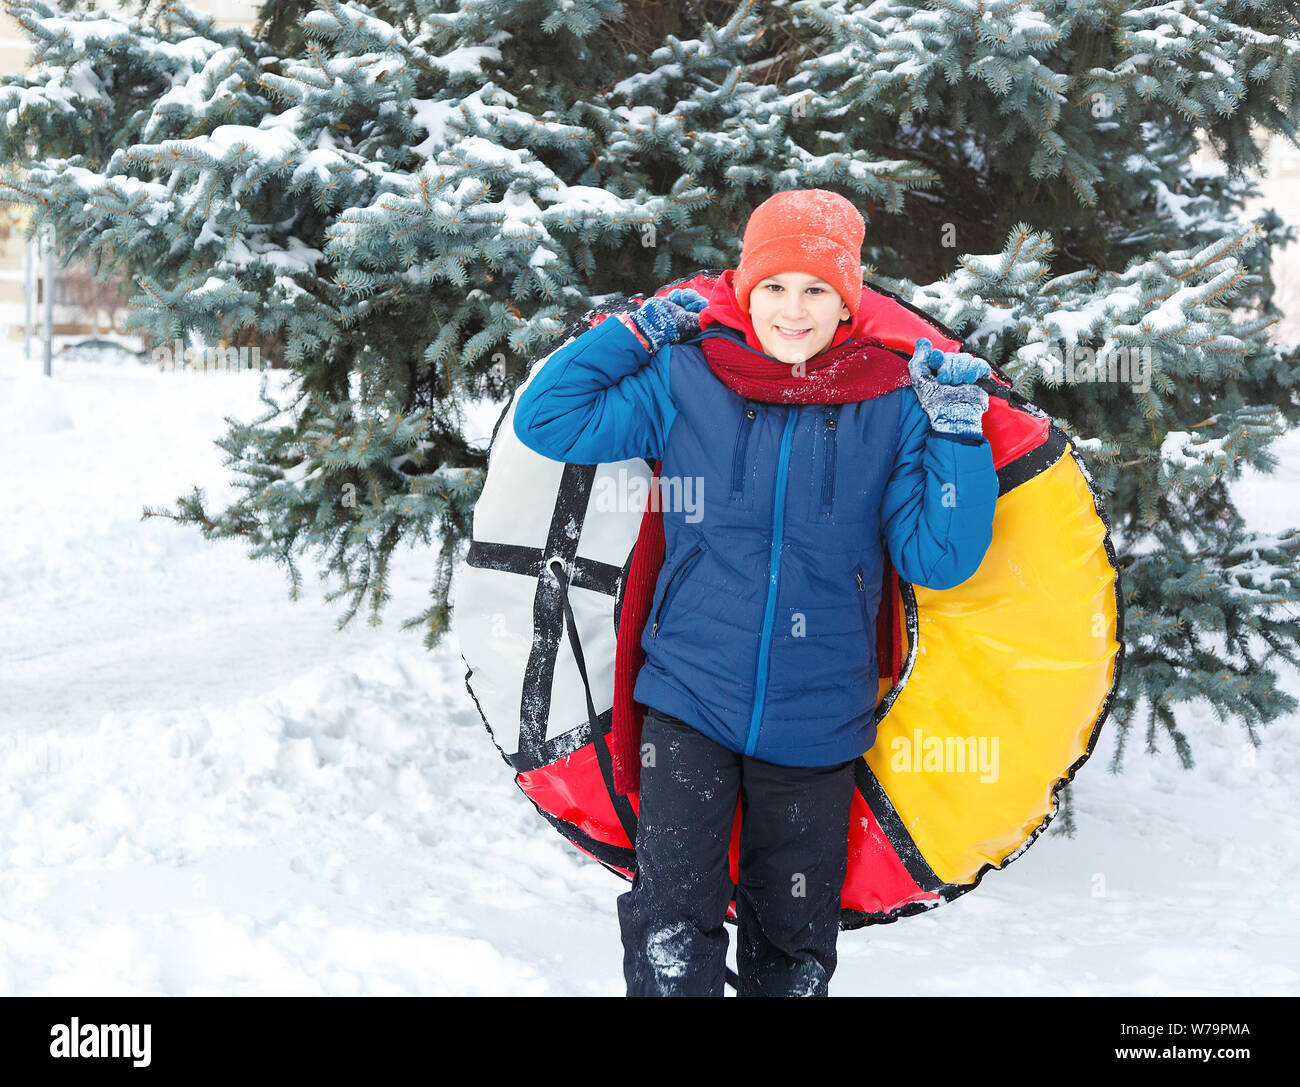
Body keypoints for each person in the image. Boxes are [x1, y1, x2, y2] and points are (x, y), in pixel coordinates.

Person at [512, 188, 999, 996]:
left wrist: (955, 432)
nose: (792, 310)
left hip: (818, 716)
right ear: (743, 288)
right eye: (773, 285)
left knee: (792, 945)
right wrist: (638, 331)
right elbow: (551, 419)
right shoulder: (687, 376)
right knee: (673, 922)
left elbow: (939, 556)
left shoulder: (891, 399)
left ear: (849, 297)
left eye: (816, 289)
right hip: (689, 693)